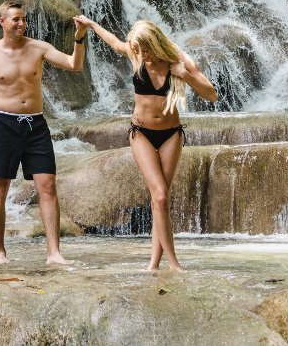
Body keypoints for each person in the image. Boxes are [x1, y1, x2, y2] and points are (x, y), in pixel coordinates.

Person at [74, 15, 218, 272]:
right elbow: (116, 43)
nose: (142, 56)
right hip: (140, 133)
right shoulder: (136, 53)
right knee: (160, 195)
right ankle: (173, 263)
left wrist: (186, 75)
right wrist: (90, 26)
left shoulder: (180, 60)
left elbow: (211, 95)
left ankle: (154, 264)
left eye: (146, 50)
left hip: (171, 135)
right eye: (138, 51)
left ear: (157, 43)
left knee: (159, 199)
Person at [0, 1, 87, 265]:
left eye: (24, 19)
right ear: (2, 22)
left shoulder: (38, 48)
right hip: (3, 125)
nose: (22, 24)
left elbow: (74, 65)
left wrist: (79, 37)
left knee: (47, 186)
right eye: (16, 19)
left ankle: (54, 253)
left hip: (35, 125)